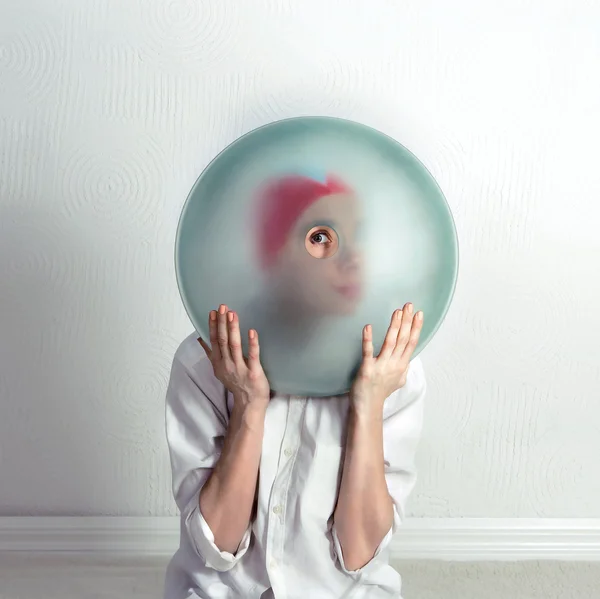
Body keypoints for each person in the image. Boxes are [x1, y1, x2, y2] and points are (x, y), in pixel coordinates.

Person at [164, 172, 426, 599]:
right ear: (272, 253)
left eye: (357, 237)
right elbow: (218, 548)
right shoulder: (203, 362)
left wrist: (369, 404)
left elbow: (359, 556)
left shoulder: (394, 370)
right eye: (321, 236)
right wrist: (249, 403)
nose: (351, 257)